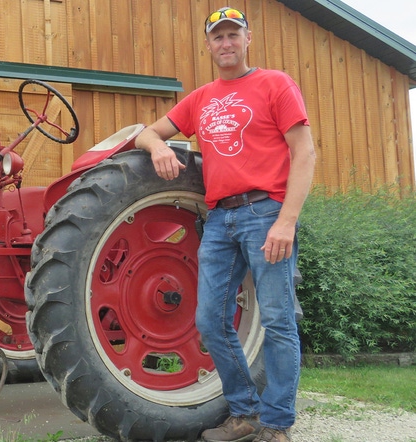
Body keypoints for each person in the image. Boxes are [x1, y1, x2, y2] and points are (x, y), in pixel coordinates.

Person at [134, 6, 316, 442]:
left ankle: (276, 425)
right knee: (210, 320)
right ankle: (244, 414)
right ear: (209, 45)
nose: (226, 43)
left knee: (277, 321)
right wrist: (158, 147)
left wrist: (287, 222)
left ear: (248, 38)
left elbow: (304, 153)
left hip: (266, 212)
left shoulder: (275, 84)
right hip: (219, 219)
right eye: (218, 37)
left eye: (234, 35)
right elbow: (145, 132)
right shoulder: (201, 98)